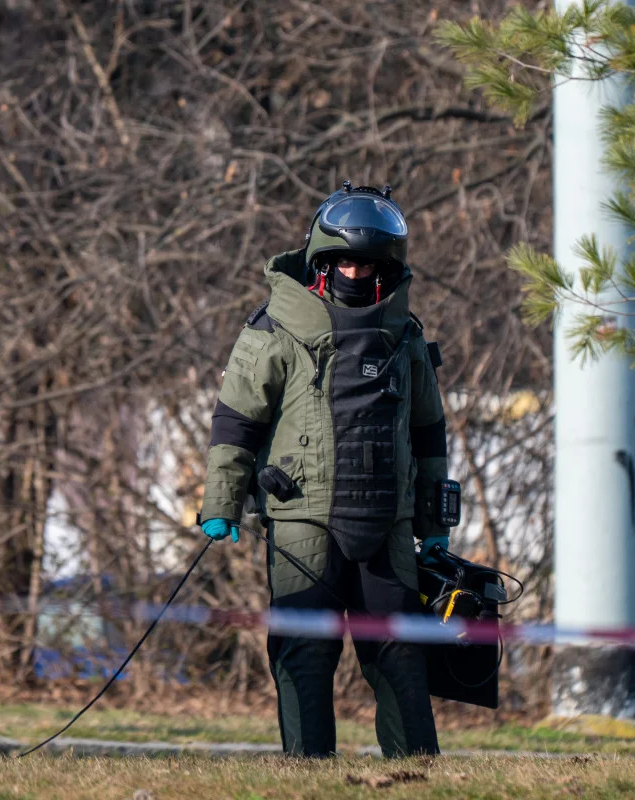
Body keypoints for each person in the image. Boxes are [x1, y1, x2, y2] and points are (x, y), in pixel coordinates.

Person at [198, 182, 453, 758]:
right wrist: (222, 504)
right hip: (301, 519)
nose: (355, 273)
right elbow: (235, 422)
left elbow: (429, 432)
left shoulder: (406, 335)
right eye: (344, 262)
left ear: (386, 267)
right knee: (304, 650)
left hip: (388, 521)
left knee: (401, 651)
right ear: (322, 262)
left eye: (367, 264)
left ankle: (417, 773)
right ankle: (307, 774)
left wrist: (434, 522)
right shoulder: (274, 329)